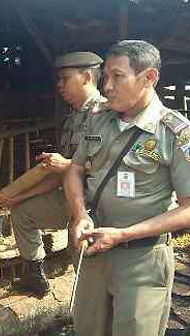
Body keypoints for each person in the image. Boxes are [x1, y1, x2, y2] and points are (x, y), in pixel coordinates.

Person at [64, 40, 190, 336]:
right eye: (106, 76)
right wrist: (80, 213)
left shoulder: (174, 132)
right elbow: (74, 169)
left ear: (149, 78)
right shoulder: (99, 120)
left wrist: (123, 235)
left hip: (142, 261)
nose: (106, 86)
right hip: (93, 253)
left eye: (117, 76)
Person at [0, 51, 106, 296]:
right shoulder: (72, 119)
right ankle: (35, 276)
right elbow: (60, 175)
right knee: (23, 213)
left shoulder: (106, 115)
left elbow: (108, 167)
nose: (59, 85)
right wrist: (20, 198)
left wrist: (67, 164)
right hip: (70, 198)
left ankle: (93, 310)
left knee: (85, 265)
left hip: (98, 205)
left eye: (65, 78)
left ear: (87, 77)